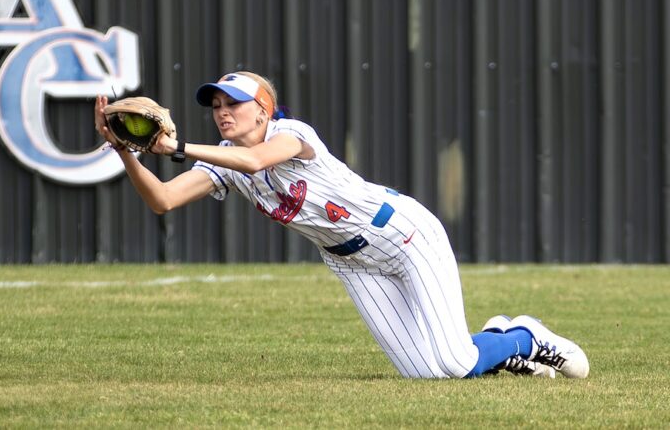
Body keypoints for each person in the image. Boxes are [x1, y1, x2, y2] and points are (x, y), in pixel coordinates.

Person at [94, 71, 589, 379]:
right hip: (353, 264)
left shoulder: (292, 133)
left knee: (455, 362)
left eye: (234, 103)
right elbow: (162, 200)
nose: (223, 112)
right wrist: (126, 152)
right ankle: (499, 350)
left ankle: (521, 335)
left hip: (404, 237)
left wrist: (174, 149)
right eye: (216, 106)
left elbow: (255, 162)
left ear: (263, 109)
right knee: (426, 373)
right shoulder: (222, 159)